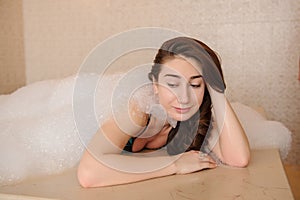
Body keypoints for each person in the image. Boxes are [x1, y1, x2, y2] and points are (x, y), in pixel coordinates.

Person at [77, 37, 250, 188]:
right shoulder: (138, 108)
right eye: (173, 85)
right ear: (155, 85)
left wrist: (216, 88)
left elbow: (238, 159)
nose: (184, 98)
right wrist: (175, 165)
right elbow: (89, 173)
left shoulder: (192, 118)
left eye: (195, 85)